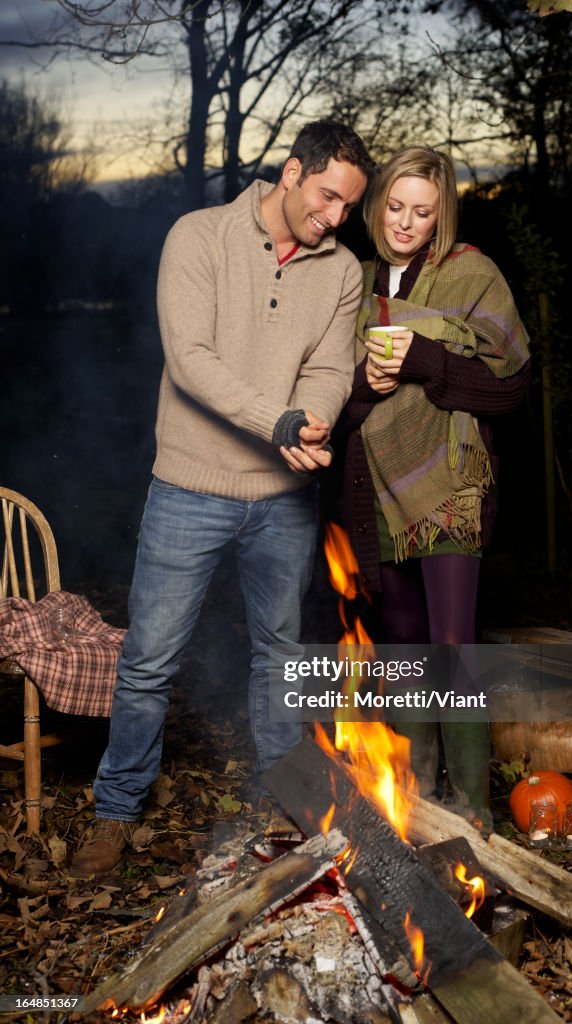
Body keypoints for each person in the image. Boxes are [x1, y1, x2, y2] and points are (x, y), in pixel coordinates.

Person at [70, 120, 374, 878]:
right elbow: (190, 358)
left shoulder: (340, 269)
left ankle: (286, 804)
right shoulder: (198, 235)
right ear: (291, 171)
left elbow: (331, 368)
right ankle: (116, 810)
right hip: (189, 485)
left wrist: (313, 420)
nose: (336, 218)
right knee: (148, 660)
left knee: (279, 656)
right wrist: (273, 422)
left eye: (349, 207)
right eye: (328, 196)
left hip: (284, 499)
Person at [334, 147, 531, 827]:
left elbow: (509, 388)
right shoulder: (351, 282)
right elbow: (333, 406)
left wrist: (423, 359)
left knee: (451, 641)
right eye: (395, 206)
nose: (405, 222)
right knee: (404, 641)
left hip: (449, 484)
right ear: (375, 203)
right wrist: (365, 382)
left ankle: (473, 811)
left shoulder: (470, 272)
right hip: (375, 487)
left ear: (441, 214)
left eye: (423, 211)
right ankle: (418, 804)